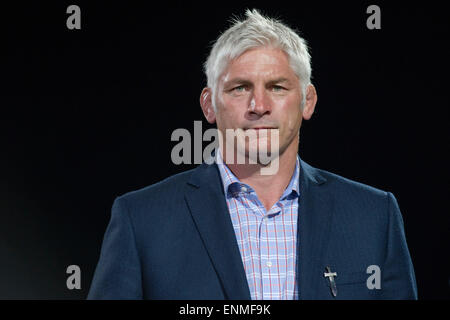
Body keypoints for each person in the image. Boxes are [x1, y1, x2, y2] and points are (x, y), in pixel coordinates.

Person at [88, 9, 417, 300]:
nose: (259, 106)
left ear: (308, 101)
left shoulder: (375, 216)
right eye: (239, 88)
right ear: (209, 104)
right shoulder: (141, 220)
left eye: (277, 87)